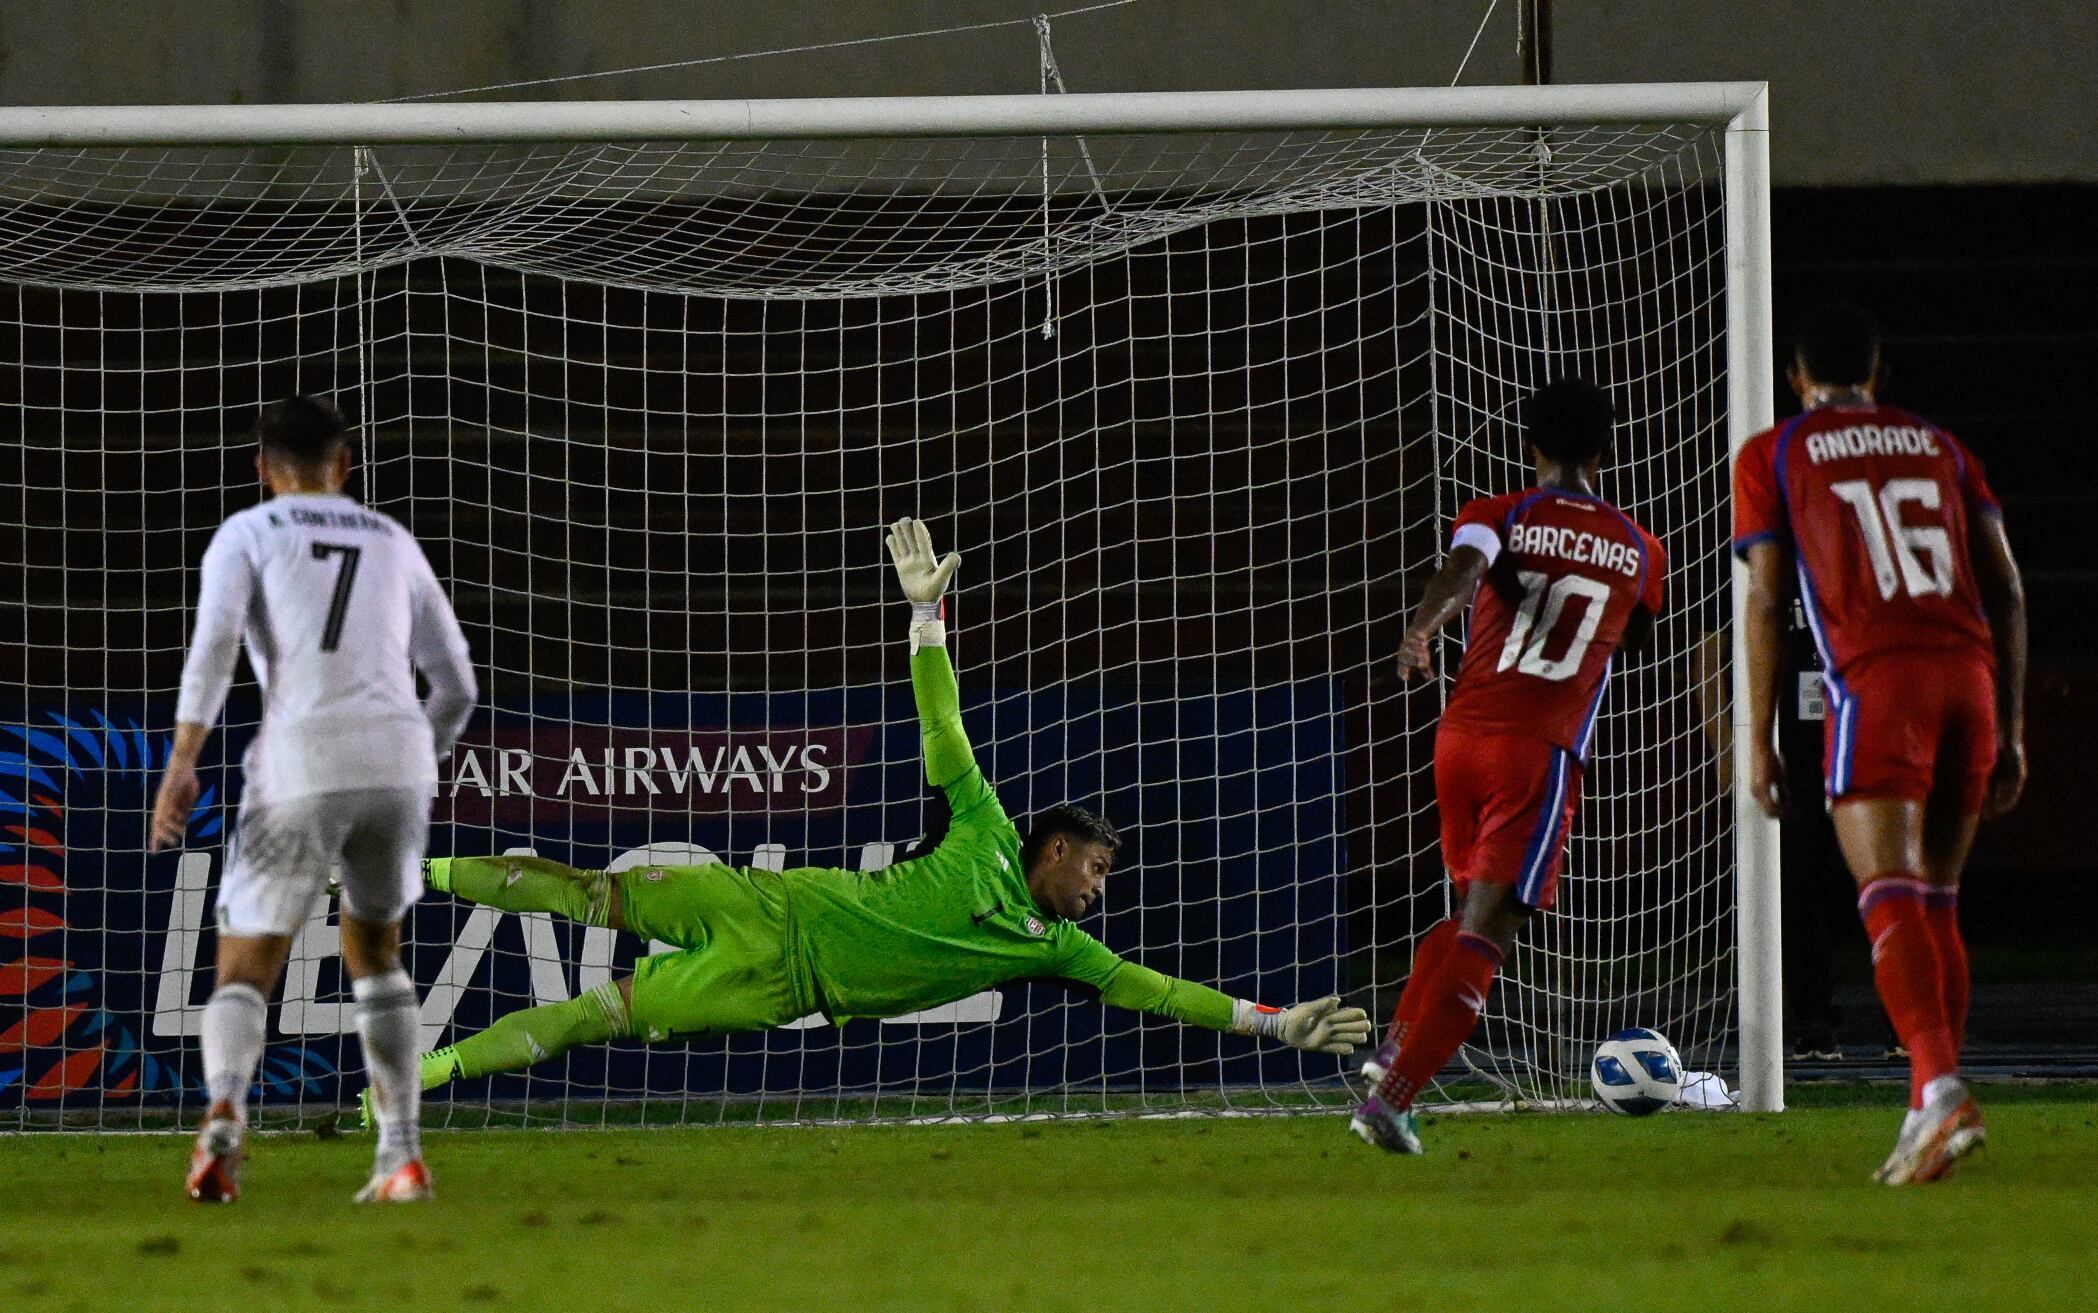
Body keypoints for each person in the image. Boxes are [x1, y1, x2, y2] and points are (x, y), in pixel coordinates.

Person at [375, 517, 1368, 1110]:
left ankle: (430, 1071)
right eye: (1096, 871)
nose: (1098, 893)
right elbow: (944, 725)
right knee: (590, 894)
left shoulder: (1056, 949)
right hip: (769, 902)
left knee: (597, 1014)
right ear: (1055, 848)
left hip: (773, 987)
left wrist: (1276, 1023)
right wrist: (924, 617)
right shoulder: (984, 825)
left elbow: (1161, 992)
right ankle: (405, 872)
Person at [150, 395, 477, 1204]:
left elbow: (215, 648)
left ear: (262, 469)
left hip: (299, 762)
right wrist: (410, 756)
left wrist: (183, 761)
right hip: (399, 763)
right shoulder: (395, 540)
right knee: (376, 950)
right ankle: (400, 1155)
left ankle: (226, 1107)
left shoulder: (248, 534)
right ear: (348, 463)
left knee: (246, 961)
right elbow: (460, 686)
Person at [1734, 302, 2026, 1185]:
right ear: (1879, 372)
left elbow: (1763, 600)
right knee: (1937, 897)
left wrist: (1757, 738)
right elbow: (2006, 588)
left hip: (1877, 677)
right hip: (1969, 675)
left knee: (1886, 891)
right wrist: (2010, 725)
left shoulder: (1775, 451)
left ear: (1796, 378)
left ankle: (1939, 1089)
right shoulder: (1941, 446)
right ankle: (1925, 1105)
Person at [1351, 379, 1665, 1154]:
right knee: (1488, 936)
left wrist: (1421, 630)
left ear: (1529, 444)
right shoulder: (1640, 548)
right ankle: (1392, 1099)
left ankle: (1396, 1048)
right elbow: (1636, 642)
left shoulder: (1501, 514)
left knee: (1465, 916)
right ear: (1606, 448)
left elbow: (1462, 571)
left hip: (1459, 743)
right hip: (1538, 753)